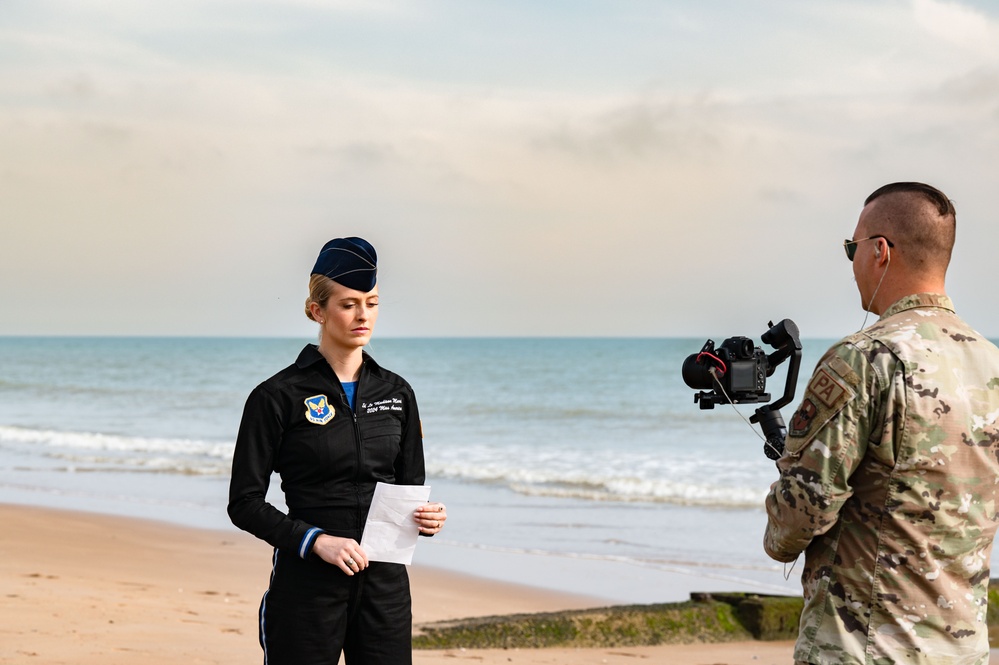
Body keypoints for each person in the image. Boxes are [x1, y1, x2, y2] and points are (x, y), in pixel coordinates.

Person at [764, 182, 999, 665]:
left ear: (880, 251)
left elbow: (798, 518)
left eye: (852, 248)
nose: (852, 262)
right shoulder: (990, 363)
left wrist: (780, 510)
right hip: (962, 649)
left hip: (864, 648)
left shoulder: (865, 358)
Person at [228, 236, 447, 665]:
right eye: (348, 304)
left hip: (385, 587)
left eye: (372, 302)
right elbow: (244, 502)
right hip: (308, 584)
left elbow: (409, 488)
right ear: (317, 311)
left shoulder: (397, 393)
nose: (363, 314)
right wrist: (316, 541)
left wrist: (428, 517)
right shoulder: (276, 396)